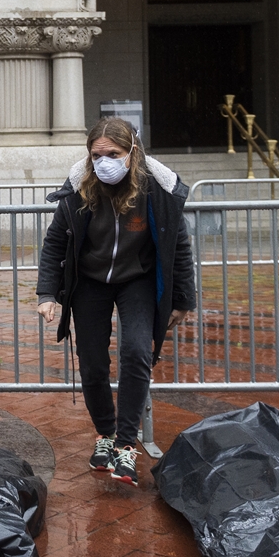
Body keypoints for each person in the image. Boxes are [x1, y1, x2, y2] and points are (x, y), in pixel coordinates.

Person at [35, 117, 196, 486]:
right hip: (89, 284)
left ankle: (127, 444)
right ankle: (105, 435)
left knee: (137, 352)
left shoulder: (156, 191)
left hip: (136, 281)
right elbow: (56, 242)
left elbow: (178, 247)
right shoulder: (78, 190)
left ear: (132, 152)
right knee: (92, 363)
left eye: (113, 154)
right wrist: (47, 294)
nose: (104, 161)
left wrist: (184, 298)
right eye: (96, 155)